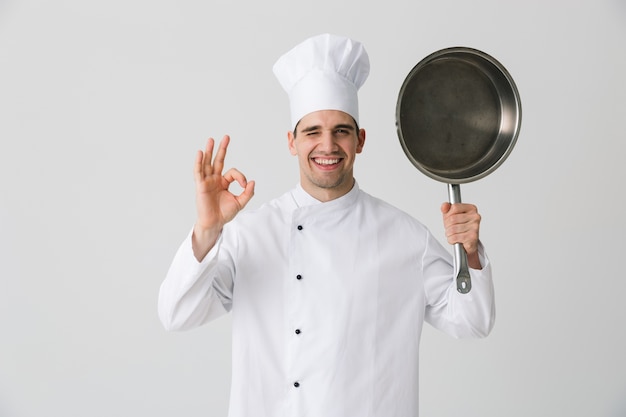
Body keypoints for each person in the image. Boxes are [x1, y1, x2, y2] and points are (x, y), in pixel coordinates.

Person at [158, 33, 495, 417]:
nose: (328, 146)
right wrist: (207, 230)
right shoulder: (250, 235)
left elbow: (473, 321)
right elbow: (177, 314)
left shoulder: (405, 236)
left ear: (361, 140)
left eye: (341, 131)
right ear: (291, 142)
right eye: (312, 132)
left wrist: (469, 253)